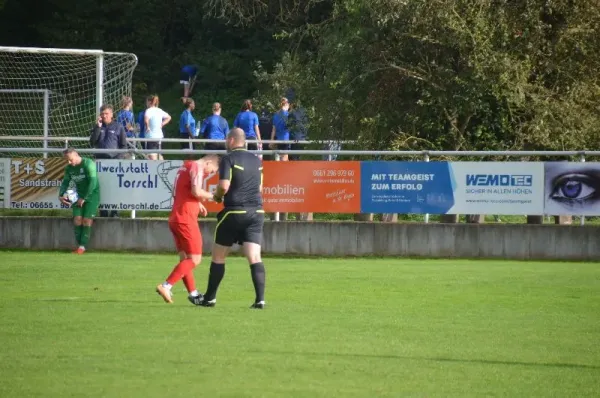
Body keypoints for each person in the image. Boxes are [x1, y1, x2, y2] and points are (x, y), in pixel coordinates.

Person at [200, 127, 267, 309]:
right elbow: (260, 189)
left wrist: (218, 197)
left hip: (234, 212)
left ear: (231, 140)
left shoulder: (229, 158)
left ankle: (210, 298)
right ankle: (260, 300)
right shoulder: (256, 160)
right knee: (254, 256)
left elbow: (224, 185)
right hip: (256, 212)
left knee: (219, 256)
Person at [155, 154, 220, 305]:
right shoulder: (197, 167)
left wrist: (198, 203)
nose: (210, 174)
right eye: (212, 171)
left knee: (185, 259)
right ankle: (166, 285)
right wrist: (214, 196)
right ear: (208, 162)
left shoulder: (185, 166)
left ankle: (193, 293)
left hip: (175, 218)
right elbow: (196, 191)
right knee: (195, 259)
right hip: (186, 218)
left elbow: (178, 192)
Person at [58, 148, 100, 254]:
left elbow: (93, 182)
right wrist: (60, 195)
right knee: (77, 219)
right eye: (67, 160)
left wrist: (84, 198)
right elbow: (66, 181)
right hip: (77, 196)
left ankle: (82, 247)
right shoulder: (69, 168)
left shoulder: (88, 164)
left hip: (91, 196)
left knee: (86, 220)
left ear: (76, 155)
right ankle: (79, 247)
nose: (69, 162)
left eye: (71, 159)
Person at [89, 103, 127, 218]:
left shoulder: (118, 127)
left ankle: (114, 211)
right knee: (102, 187)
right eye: (102, 114)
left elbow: (123, 146)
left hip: (113, 163)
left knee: (114, 187)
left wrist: (118, 160)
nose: (104, 116)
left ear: (111, 114)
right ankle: (103, 211)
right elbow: (92, 142)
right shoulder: (97, 126)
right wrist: (98, 127)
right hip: (100, 162)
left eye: (106, 113)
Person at [144, 95, 171, 160]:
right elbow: (169, 117)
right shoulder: (159, 110)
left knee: (152, 157)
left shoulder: (148, 110)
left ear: (149, 102)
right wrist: (162, 124)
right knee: (159, 154)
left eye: (146, 102)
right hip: (159, 136)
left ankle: (158, 168)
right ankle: (163, 168)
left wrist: (147, 127)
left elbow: (146, 119)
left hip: (151, 137)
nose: (146, 103)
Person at [270, 97, 291, 162]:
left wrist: (271, 141)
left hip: (278, 139)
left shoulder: (276, 115)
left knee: (283, 158)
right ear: (287, 104)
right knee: (284, 159)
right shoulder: (288, 115)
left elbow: (273, 130)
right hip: (285, 139)